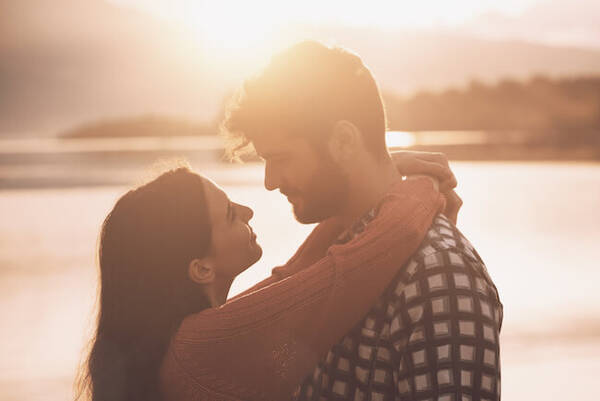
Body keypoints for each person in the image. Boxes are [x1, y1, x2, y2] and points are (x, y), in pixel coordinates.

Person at [220, 40, 503, 401]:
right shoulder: (331, 259)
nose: (270, 181)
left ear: (343, 140)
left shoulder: (438, 275)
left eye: (281, 158)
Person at [76, 162, 448, 401]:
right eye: (229, 214)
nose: (248, 210)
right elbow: (361, 261)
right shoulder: (204, 344)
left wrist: (375, 177)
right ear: (201, 269)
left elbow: (297, 271)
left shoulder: (182, 340)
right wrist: (424, 185)